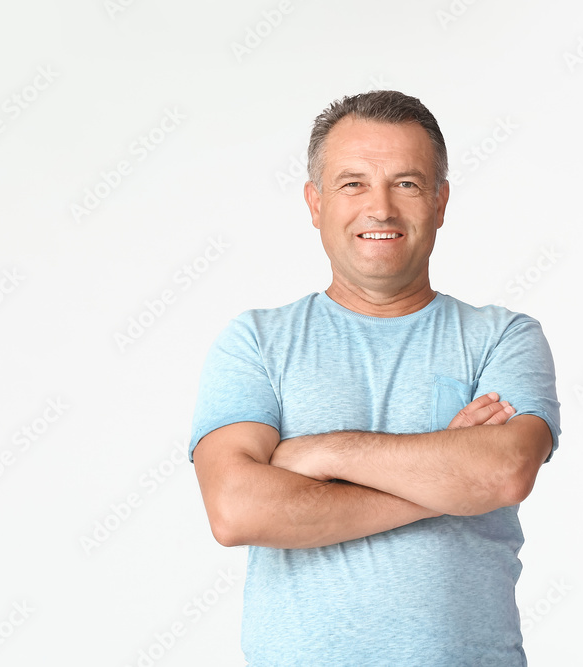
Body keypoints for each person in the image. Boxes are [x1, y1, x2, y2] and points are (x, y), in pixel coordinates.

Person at [189, 90, 561, 666]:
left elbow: (504, 471)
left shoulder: (503, 337)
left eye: (407, 183)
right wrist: (445, 486)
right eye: (353, 183)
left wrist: (324, 453)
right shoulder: (256, 343)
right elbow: (237, 509)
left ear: (439, 202)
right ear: (315, 203)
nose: (380, 208)